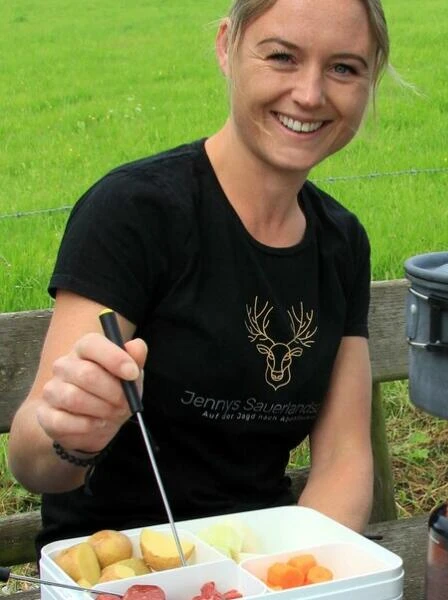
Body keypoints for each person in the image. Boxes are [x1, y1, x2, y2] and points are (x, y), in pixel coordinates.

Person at [8, 0, 391, 553]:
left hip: (263, 564)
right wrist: (71, 435)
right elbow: (34, 463)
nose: (310, 94)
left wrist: (291, 574)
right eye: (282, 56)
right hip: (122, 568)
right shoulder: (136, 212)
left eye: (344, 68)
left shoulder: (341, 242)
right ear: (226, 48)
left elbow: (343, 460)